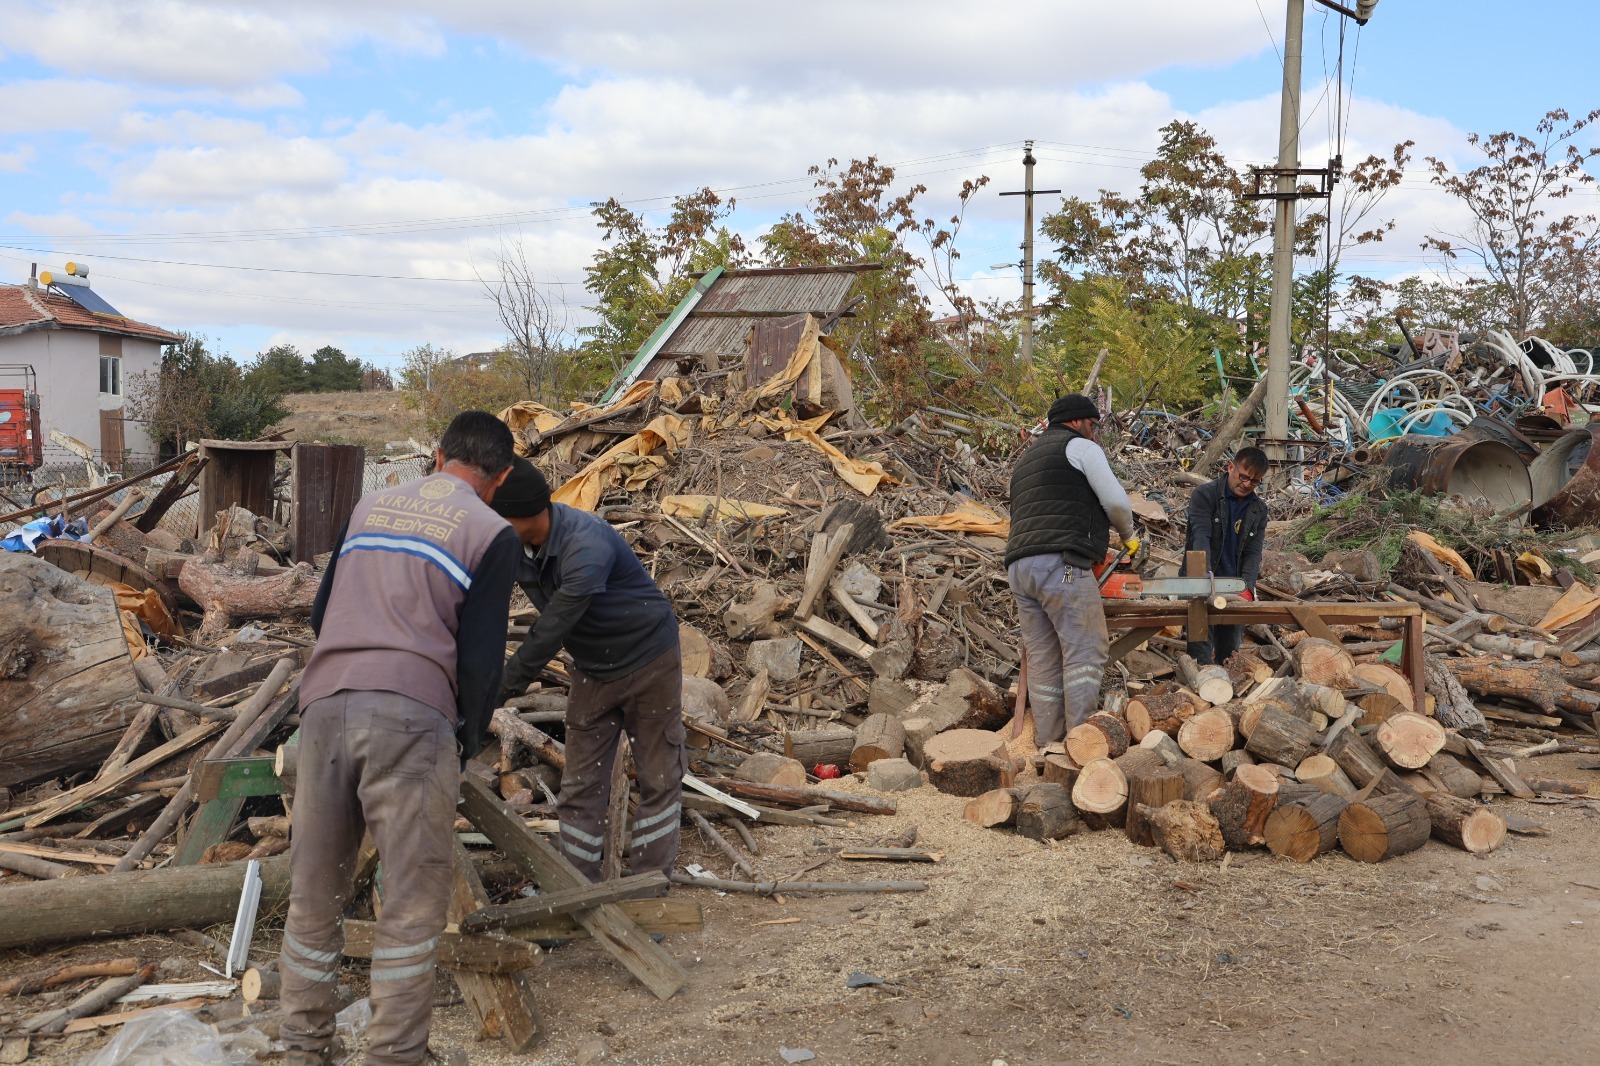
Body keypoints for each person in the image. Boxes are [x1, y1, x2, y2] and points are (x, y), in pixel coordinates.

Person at [280, 411, 520, 1066]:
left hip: (325, 706)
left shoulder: (370, 507)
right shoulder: (490, 531)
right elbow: (480, 660)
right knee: (411, 909)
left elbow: (322, 613)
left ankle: (303, 1049)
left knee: (314, 897)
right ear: (497, 479)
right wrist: (464, 739)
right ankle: (394, 1056)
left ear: (437, 456)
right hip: (411, 719)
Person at [493, 457, 686, 884]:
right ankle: (575, 889)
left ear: (526, 515)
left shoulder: (586, 542)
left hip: (649, 659)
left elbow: (554, 625)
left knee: (658, 775)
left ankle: (646, 889)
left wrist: (501, 687)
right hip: (595, 667)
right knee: (581, 783)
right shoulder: (512, 544)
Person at [1004, 394, 1138, 746]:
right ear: (1077, 421)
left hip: (1020, 568)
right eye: (1092, 426)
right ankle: (1079, 744)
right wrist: (1129, 536)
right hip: (1062, 566)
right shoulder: (1080, 448)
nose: (1094, 434)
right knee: (1084, 652)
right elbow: (1115, 502)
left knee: (1045, 662)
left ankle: (1048, 746)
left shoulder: (1027, 460)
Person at [1185, 445, 1270, 666]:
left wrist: (1247, 587)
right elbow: (1200, 536)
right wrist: (1203, 576)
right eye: (1243, 477)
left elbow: (1253, 552)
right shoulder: (1205, 495)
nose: (1247, 484)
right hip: (1202, 581)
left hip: (1234, 586)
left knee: (1229, 655)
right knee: (1199, 657)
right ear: (1230, 467)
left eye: (1254, 481)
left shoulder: (1258, 509)